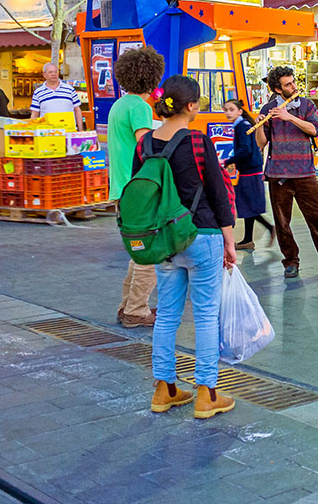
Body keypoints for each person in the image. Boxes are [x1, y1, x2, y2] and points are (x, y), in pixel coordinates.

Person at [134, 75, 238, 419]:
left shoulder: (145, 144)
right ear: (192, 106)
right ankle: (206, 394)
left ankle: (164, 389)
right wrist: (229, 238)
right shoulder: (197, 141)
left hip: (164, 240)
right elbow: (218, 191)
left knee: (166, 314)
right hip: (201, 234)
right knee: (206, 315)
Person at [256, 66, 318, 279]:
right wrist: (260, 123)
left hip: (305, 172)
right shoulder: (269, 108)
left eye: (293, 82)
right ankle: (291, 262)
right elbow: (261, 142)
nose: (294, 86)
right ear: (278, 90)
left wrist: (289, 117)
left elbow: (315, 130)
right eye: (288, 84)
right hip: (279, 173)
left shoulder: (306, 105)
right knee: (282, 222)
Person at [108, 47, 163, 328]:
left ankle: (127, 305)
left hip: (121, 188)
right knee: (150, 251)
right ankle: (137, 310)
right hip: (138, 190)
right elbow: (145, 145)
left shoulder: (120, 104)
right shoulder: (140, 107)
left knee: (137, 248)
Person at [223, 98, 274, 251]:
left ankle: (269, 229)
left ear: (239, 111)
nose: (228, 113)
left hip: (250, 170)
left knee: (248, 205)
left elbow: (245, 149)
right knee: (248, 205)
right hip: (250, 169)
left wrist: (228, 161)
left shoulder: (242, 126)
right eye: (226, 110)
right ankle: (248, 239)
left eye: (231, 109)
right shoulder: (242, 124)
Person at [30, 62, 83, 129]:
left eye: (56, 72)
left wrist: (81, 130)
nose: (54, 74)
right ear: (44, 75)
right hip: (47, 133)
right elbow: (34, 115)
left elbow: (77, 110)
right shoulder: (38, 92)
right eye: (50, 72)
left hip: (69, 130)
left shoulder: (69, 89)